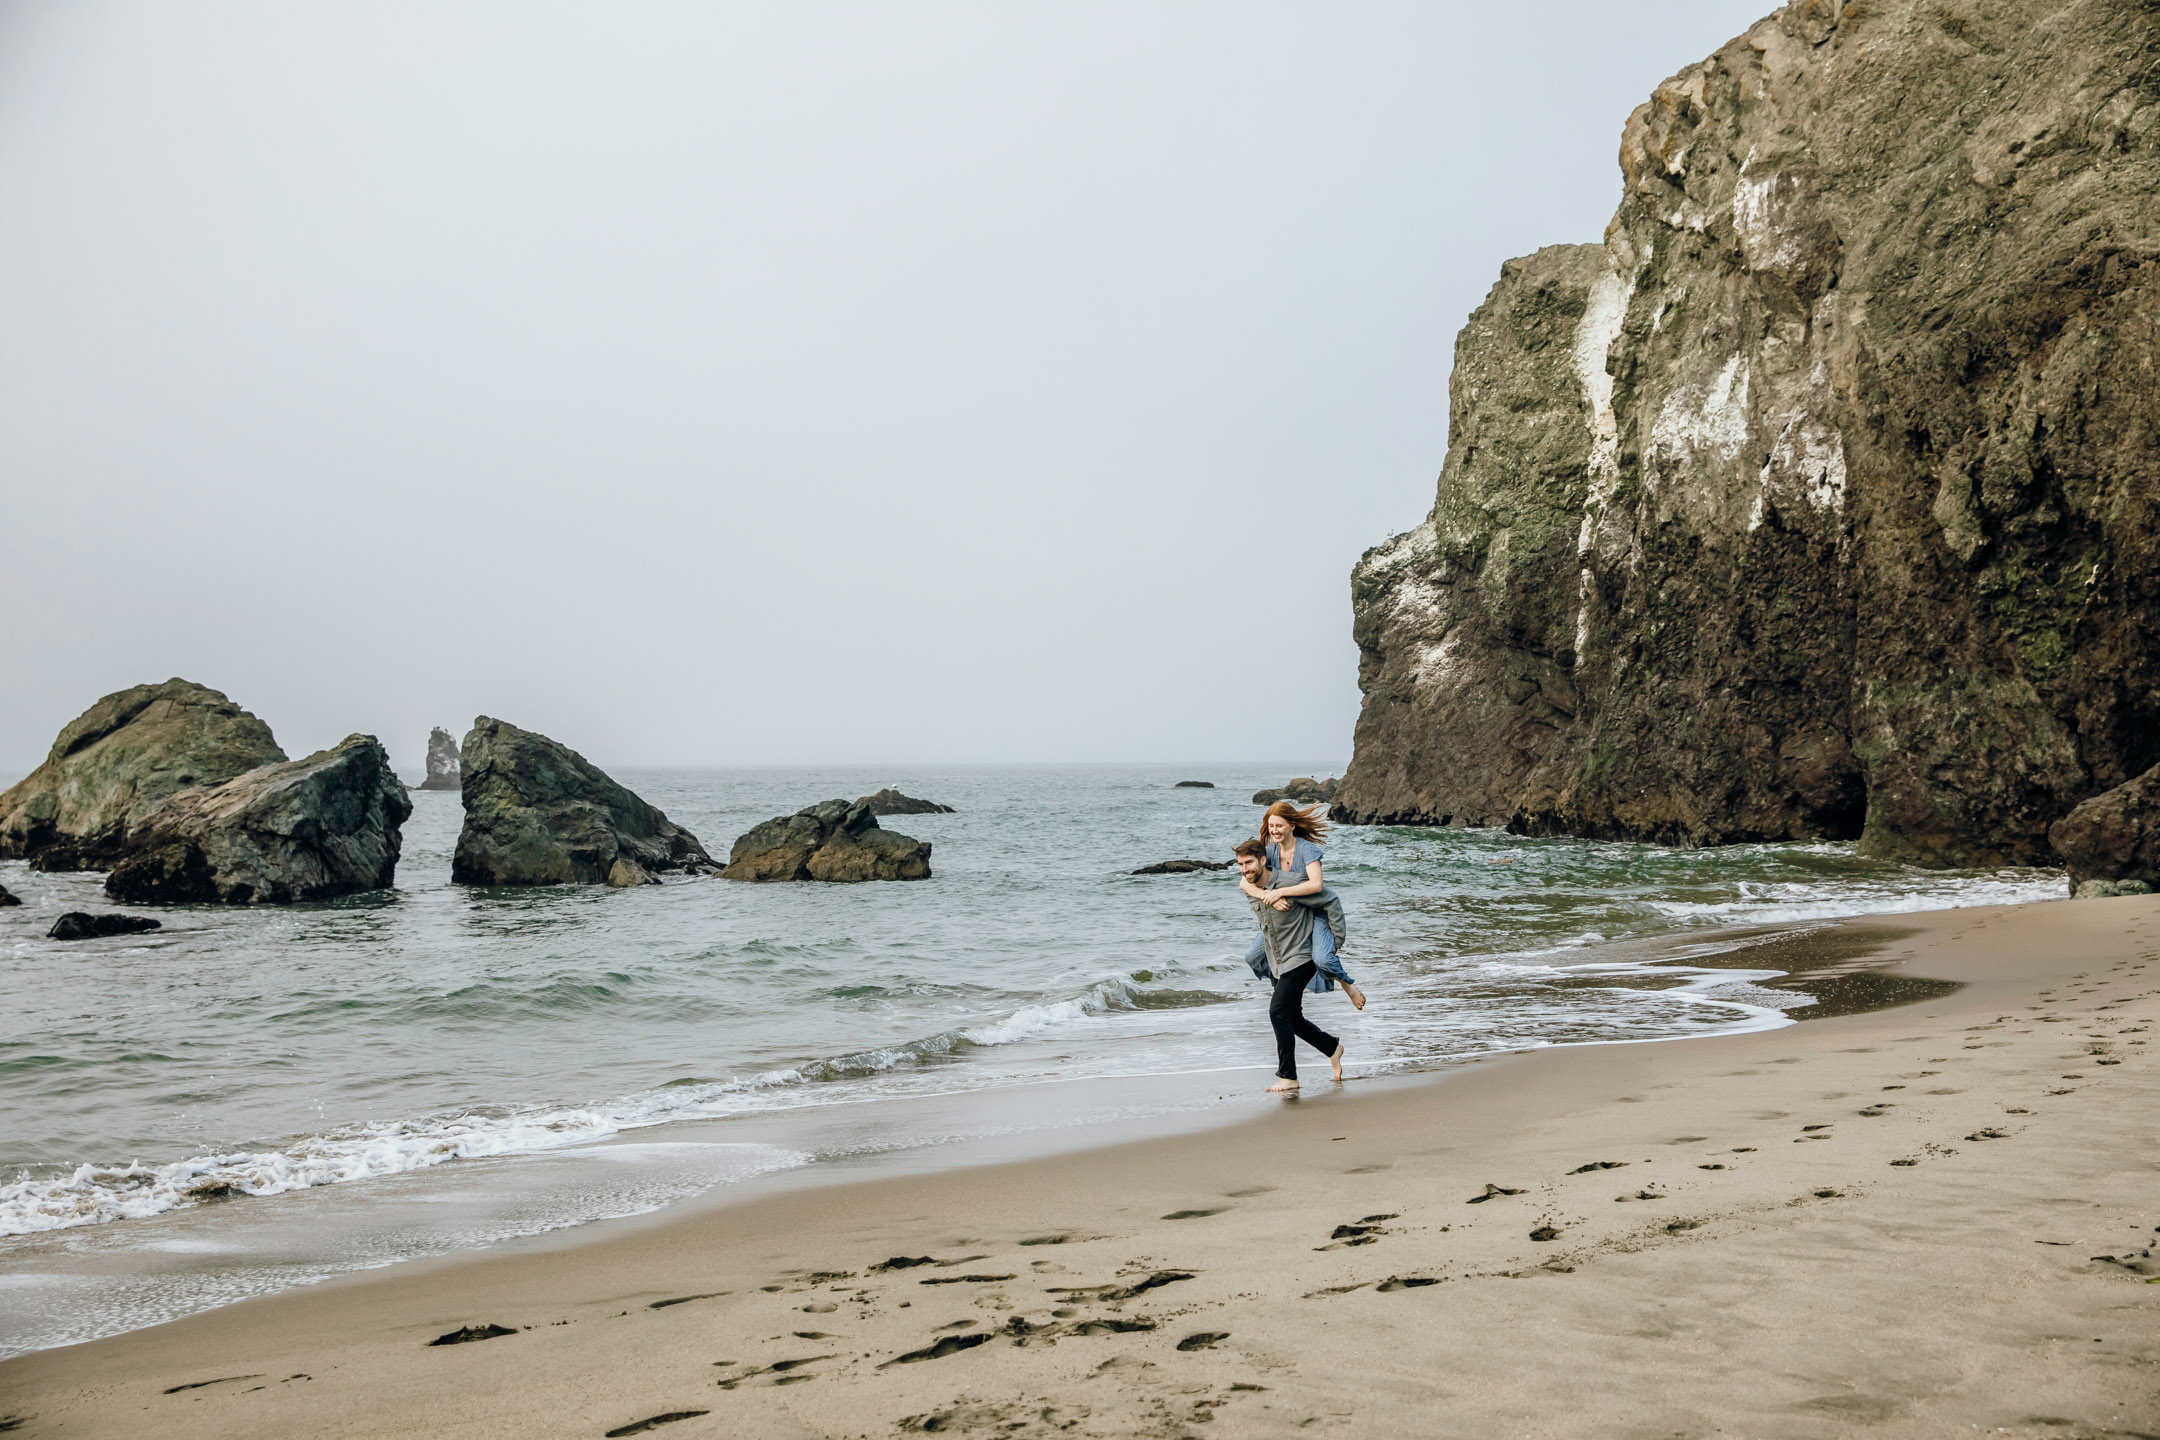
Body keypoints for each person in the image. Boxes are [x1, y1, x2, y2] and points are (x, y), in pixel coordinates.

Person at [1234, 837, 1343, 1093]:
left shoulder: (1290, 883)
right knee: (1292, 1016)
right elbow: (1245, 886)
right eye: (1240, 864)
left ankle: (1288, 1076)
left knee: (1278, 1012)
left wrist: (1335, 943)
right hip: (1277, 957)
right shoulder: (1250, 885)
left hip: (1301, 954)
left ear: (1263, 860)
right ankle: (1332, 1048)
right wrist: (1262, 894)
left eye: (1249, 862)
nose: (1244, 868)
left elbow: (1330, 900)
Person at [1253, 800, 1366, 1009]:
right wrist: (1267, 896)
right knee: (1254, 955)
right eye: (1271, 826)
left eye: (1279, 825)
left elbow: (1316, 884)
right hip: (1288, 919)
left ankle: (1347, 984)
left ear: (1292, 826)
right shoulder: (1269, 853)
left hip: (1315, 915)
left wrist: (1279, 892)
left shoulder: (1307, 850)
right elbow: (1244, 882)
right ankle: (1282, 988)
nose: (1275, 830)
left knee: (1323, 960)